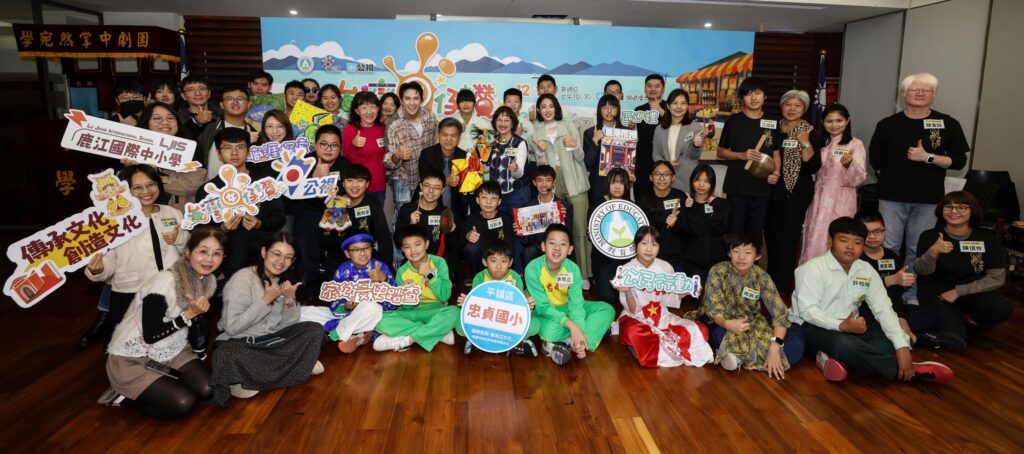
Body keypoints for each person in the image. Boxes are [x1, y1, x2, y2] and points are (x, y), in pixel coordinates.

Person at [791, 217, 953, 383]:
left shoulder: (866, 270)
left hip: (852, 326)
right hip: (812, 326)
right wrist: (841, 325)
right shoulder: (812, 268)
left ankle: (839, 359)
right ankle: (909, 372)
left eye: (857, 242)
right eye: (843, 240)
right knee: (844, 344)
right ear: (830, 241)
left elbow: (883, 309)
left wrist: (902, 347)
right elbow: (808, 311)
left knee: (888, 343)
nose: (850, 247)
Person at [100, 227, 225, 418]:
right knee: (183, 403)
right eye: (203, 251)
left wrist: (199, 357)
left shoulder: (207, 280)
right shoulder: (164, 281)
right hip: (133, 357)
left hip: (173, 349)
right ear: (188, 252)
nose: (209, 259)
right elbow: (151, 335)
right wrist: (188, 316)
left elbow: (198, 325)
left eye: (217, 253)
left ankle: (164, 381)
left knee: (209, 389)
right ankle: (122, 396)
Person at [869, 73, 969, 306]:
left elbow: (958, 161)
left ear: (933, 95)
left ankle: (910, 295)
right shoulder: (887, 124)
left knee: (918, 249)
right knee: (888, 247)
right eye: (915, 89)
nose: (921, 93)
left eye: (927, 90)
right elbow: (876, 159)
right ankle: (884, 294)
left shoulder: (948, 123)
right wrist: (894, 177)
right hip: (892, 198)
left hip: (928, 200)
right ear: (904, 94)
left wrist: (928, 157)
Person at [81, 165, 188, 349]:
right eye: (137, 187)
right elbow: (108, 259)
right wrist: (97, 270)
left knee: (166, 339)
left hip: (168, 289)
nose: (146, 191)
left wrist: (179, 239)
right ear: (126, 191)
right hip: (130, 292)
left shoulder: (172, 213)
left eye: (151, 184)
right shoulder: (114, 221)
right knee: (125, 344)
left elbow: (188, 249)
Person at [212, 233, 325, 403]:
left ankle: (256, 377)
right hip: (243, 342)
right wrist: (265, 300)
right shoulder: (242, 278)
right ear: (264, 252)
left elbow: (288, 325)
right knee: (226, 355)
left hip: (272, 341)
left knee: (314, 330)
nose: (281, 262)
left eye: (288, 257)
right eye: (276, 254)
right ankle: (298, 366)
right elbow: (232, 327)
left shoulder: (284, 280)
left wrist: (290, 299)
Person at [914, 191, 1012, 350]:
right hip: (939, 294)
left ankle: (974, 328)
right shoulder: (929, 236)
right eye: (948, 207)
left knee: (1001, 308)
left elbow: (996, 278)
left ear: (972, 210)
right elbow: (922, 271)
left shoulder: (987, 239)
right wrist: (933, 252)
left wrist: (959, 291)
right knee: (955, 340)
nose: (954, 211)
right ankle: (961, 329)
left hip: (970, 291)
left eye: (961, 207)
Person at [698, 233, 802, 377]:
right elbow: (715, 311)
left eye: (747, 252)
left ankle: (738, 357)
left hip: (752, 322)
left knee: (796, 341)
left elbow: (780, 314)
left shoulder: (762, 277)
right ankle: (760, 358)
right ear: (729, 253)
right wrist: (728, 324)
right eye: (736, 251)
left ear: (757, 256)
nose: (741, 257)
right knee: (717, 334)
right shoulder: (718, 272)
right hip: (721, 321)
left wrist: (774, 346)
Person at [614, 226, 713, 368]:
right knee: (633, 332)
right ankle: (646, 348)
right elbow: (633, 310)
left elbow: (669, 299)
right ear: (635, 246)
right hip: (635, 318)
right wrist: (627, 291)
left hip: (661, 315)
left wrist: (688, 290)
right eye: (644, 243)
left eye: (654, 244)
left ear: (659, 247)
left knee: (700, 329)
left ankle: (645, 348)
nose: (649, 249)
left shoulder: (665, 267)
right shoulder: (626, 270)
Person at [194, 128, 285, 279]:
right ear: (218, 153)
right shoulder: (208, 189)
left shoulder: (265, 184)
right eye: (227, 148)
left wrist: (260, 223)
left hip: (262, 257)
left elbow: (279, 218)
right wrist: (221, 229)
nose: (234, 153)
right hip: (226, 259)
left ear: (248, 151)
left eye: (240, 147)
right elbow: (200, 229)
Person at [525, 224, 615, 365]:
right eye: (552, 243)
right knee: (550, 331)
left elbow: (576, 304)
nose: (557, 248)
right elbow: (543, 307)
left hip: (568, 309)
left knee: (607, 309)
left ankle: (572, 343)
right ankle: (587, 333)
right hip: (546, 313)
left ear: (570, 249)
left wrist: (577, 327)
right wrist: (572, 326)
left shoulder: (572, 268)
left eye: (563, 244)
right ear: (543, 246)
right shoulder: (533, 268)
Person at [764, 90, 821, 293]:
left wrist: (804, 141)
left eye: (797, 105)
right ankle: (769, 281)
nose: (792, 109)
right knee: (771, 236)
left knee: (788, 239)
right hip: (771, 190)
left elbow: (813, 166)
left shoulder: (809, 131)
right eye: (788, 104)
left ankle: (783, 285)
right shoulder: (772, 128)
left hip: (796, 193)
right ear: (782, 107)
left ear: (804, 109)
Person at [532, 93, 591, 285]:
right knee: (555, 231)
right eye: (543, 107)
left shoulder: (569, 126)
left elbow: (581, 157)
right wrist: (539, 152)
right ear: (539, 110)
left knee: (579, 230)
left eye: (551, 106)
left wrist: (574, 147)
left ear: (556, 108)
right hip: (552, 184)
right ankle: (555, 274)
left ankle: (583, 275)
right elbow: (541, 167)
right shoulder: (536, 132)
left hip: (574, 181)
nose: (547, 110)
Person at [302, 233, 393, 353]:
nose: (362, 253)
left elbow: (394, 301)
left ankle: (336, 333)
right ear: (347, 253)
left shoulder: (380, 267)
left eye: (366, 248)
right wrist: (345, 307)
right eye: (356, 249)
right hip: (347, 315)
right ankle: (356, 333)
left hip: (372, 314)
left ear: (372, 249)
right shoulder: (342, 270)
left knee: (373, 308)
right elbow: (334, 299)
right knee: (303, 312)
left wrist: (384, 279)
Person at [373, 225, 459, 352]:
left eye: (417, 244)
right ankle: (436, 333)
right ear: (402, 249)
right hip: (413, 313)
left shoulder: (439, 262)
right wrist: (408, 294)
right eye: (407, 247)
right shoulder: (402, 271)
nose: (413, 250)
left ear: (426, 244)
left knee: (454, 312)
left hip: (435, 311)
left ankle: (408, 340)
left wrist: (429, 275)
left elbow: (445, 296)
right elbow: (405, 308)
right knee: (379, 319)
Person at [716, 76, 783, 238]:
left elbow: (776, 153)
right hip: (738, 186)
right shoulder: (733, 121)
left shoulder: (773, 122)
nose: (753, 98)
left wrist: (776, 173)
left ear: (765, 96)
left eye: (757, 93)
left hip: (762, 188)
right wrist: (741, 155)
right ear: (742, 98)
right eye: (748, 94)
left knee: (756, 233)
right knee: (735, 232)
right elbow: (720, 152)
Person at [800, 103, 866, 265]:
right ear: (823, 122)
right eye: (829, 121)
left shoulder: (855, 144)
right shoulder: (820, 143)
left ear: (847, 121)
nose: (834, 125)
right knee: (813, 237)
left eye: (839, 120)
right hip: (817, 198)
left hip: (841, 199)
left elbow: (859, 177)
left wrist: (850, 164)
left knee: (838, 237)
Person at [455, 239, 540, 356]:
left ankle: (482, 343)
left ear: (510, 262)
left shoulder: (515, 278)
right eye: (493, 260)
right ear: (485, 262)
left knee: (535, 324)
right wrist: (468, 303)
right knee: (460, 324)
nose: (499, 266)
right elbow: (476, 307)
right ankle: (511, 345)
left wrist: (527, 306)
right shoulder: (480, 278)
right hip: (487, 319)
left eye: (504, 261)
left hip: (506, 320)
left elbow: (518, 309)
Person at [293, 125, 352, 289]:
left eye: (334, 145)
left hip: (335, 212)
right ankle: (308, 289)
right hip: (308, 211)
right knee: (306, 243)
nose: (328, 149)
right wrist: (314, 177)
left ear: (340, 147)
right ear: (315, 144)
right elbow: (293, 195)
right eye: (324, 144)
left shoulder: (345, 165)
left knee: (341, 241)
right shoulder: (304, 162)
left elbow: (350, 193)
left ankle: (334, 286)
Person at [855, 211, 921, 348]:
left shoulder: (891, 256)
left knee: (927, 315)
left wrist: (900, 317)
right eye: (866, 232)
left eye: (877, 231)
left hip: (890, 307)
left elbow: (896, 295)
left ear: (885, 230)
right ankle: (910, 338)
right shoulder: (854, 257)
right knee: (871, 323)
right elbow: (855, 292)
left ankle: (910, 336)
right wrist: (890, 280)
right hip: (864, 309)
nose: (872, 237)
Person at [322, 164, 394, 279]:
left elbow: (384, 238)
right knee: (330, 288)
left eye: (360, 180)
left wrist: (386, 269)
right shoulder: (333, 203)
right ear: (343, 183)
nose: (354, 185)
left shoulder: (373, 205)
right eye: (350, 180)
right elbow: (325, 238)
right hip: (338, 258)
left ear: (367, 184)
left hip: (366, 257)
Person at [133, 103, 207, 213]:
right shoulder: (134, 147)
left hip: (179, 214)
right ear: (146, 123)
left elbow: (190, 185)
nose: (165, 122)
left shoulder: (190, 148)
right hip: (141, 213)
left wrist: (153, 176)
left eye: (170, 118)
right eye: (157, 118)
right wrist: (132, 169)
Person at [385, 82, 439, 226]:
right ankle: (398, 242)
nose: (412, 103)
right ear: (401, 100)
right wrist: (397, 155)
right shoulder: (394, 123)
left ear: (421, 99)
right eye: (407, 98)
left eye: (416, 98)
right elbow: (387, 161)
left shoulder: (430, 117)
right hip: (403, 177)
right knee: (402, 214)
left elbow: (435, 143)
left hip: (425, 176)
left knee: (423, 215)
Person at [195, 84, 260, 180]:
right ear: (221, 104)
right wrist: (196, 122)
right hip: (210, 186)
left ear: (248, 104)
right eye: (229, 99)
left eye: (240, 99)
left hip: (244, 185)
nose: (235, 102)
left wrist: (250, 144)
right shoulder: (209, 128)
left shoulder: (257, 132)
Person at [517, 165, 574, 274]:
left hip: (557, 245)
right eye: (540, 180)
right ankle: (529, 281)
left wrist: (562, 220)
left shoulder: (565, 206)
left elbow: (569, 235)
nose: (544, 184)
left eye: (548, 180)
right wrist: (521, 230)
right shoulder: (527, 208)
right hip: (537, 246)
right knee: (528, 251)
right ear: (534, 183)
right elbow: (525, 242)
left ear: (554, 183)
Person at [590, 167, 634, 305]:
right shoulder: (596, 205)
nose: (617, 186)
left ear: (626, 186)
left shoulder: (632, 206)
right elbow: (591, 234)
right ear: (607, 184)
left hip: (626, 257)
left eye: (621, 183)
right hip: (603, 259)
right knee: (607, 297)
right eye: (613, 182)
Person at [678, 165, 729, 283]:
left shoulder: (722, 204)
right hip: (692, 263)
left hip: (717, 262)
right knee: (697, 292)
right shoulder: (685, 204)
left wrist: (717, 207)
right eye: (697, 180)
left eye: (706, 181)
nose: (701, 185)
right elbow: (685, 231)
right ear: (692, 181)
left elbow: (720, 230)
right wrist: (688, 209)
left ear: (712, 183)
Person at [653, 88, 705, 193]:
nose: (679, 107)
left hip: (687, 178)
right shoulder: (660, 129)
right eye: (675, 103)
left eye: (683, 103)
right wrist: (666, 165)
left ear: (688, 106)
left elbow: (695, 156)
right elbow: (656, 155)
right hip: (664, 179)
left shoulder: (695, 128)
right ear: (668, 106)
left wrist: (696, 146)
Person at [638, 161, 687, 271]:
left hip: (675, 256)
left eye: (666, 174)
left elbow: (686, 228)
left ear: (673, 177)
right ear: (651, 177)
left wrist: (675, 224)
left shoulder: (680, 196)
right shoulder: (644, 198)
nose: (662, 178)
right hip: (649, 255)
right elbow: (641, 229)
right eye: (657, 174)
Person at [397, 170, 455, 261]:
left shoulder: (444, 212)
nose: (431, 191)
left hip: (436, 262)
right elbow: (397, 240)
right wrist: (410, 226)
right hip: (412, 261)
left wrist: (451, 232)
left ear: (442, 191)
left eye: (436, 187)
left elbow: (450, 247)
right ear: (421, 187)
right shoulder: (408, 209)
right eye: (427, 186)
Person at [419, 117, 469, 221]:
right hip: (430, 207)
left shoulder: (464, 157)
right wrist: (446, 181)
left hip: (457, 210)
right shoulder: (427, 154)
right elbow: (424, 181)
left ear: (459, 137)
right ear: (438, 135)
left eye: (453, 136)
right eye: (444, 135)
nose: (448, 139)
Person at [462, 181, 515, 279]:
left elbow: (509, 245)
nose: (488, 202)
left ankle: (502, 276)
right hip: (481, 257)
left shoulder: (506, 217)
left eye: (493, 198)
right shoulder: (471, 219)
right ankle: (477, 278)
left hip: (500, 256)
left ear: (499, 201)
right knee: (471, 248)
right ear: (477, 200)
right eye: (484, 197)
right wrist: (467, 236)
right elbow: (461, 244)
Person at [342, 91, 387, 205]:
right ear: (357, 111)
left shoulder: (383, 128)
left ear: (378, 109)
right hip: (356, 187)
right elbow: (346, 158)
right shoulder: (349, 130)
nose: (369, 112)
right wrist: (354, 145)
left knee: (376, 214)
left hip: (378, 184)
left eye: (373, 107)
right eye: (364, 108)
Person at [583, 94, 627, 202]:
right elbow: (588, 164)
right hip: (598, 184)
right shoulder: (590, 132)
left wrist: (630, 173)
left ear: (618, 109)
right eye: (605, 107)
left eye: (613, 107)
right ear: (599, 110)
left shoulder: (626, 132)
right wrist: (594, 141)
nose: (609, 111)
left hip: (620, 183)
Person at [487, 105, 530, 212]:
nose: (502, 124)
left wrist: (515, 169)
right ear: (494, 123)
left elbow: (519, 174)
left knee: (516, 222)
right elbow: (488, 169)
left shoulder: (519, 143)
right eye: (499, 120)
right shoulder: (492, 144)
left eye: (506, 120)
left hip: (516, 194)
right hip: (496, 196)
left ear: (512, 123)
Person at [633, 74, 667, 196]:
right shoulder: (639, 109)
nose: (652, 89)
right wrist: (631, 128)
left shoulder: (670, 107)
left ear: (663, 89)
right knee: (641, 197)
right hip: (642, 163)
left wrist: (660, 111)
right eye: (649, 86)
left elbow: (678, 126)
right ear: (645, 88)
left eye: (657, 86)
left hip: (663, 163)